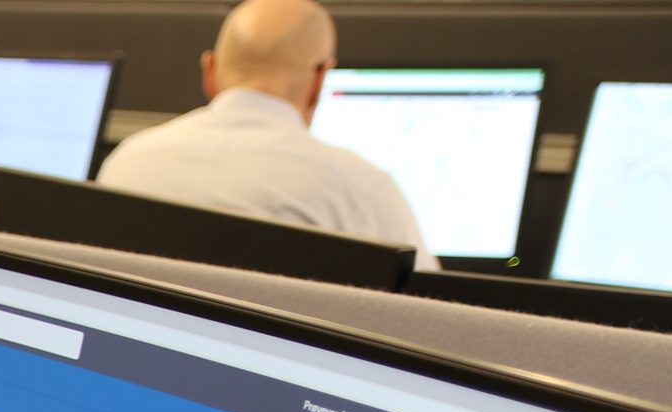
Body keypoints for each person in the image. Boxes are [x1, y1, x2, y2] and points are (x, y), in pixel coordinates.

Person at [94, 0, 438, 270]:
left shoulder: (126, 162)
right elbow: (430, 315)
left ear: (210, 70)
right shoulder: (362, 190)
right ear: (319, 79)